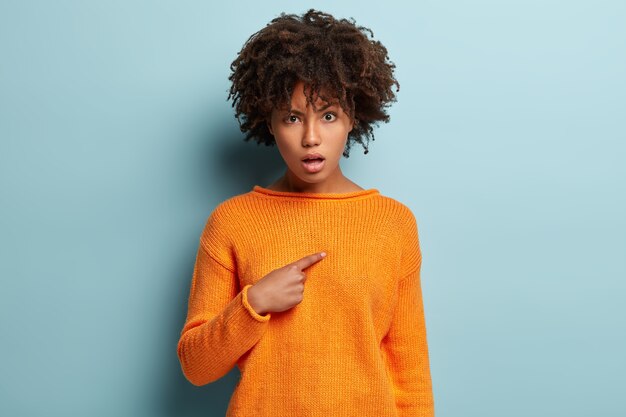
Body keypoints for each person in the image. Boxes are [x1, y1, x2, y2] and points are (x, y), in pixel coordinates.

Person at [177, 9, 435, 417]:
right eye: (293, 118)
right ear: (271, 122)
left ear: (354, 116)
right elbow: (196, 367)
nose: (311, 137)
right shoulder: (232, 221)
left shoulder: (392, 223)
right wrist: (254, 302)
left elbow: (411, 373)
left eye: (328, 116)